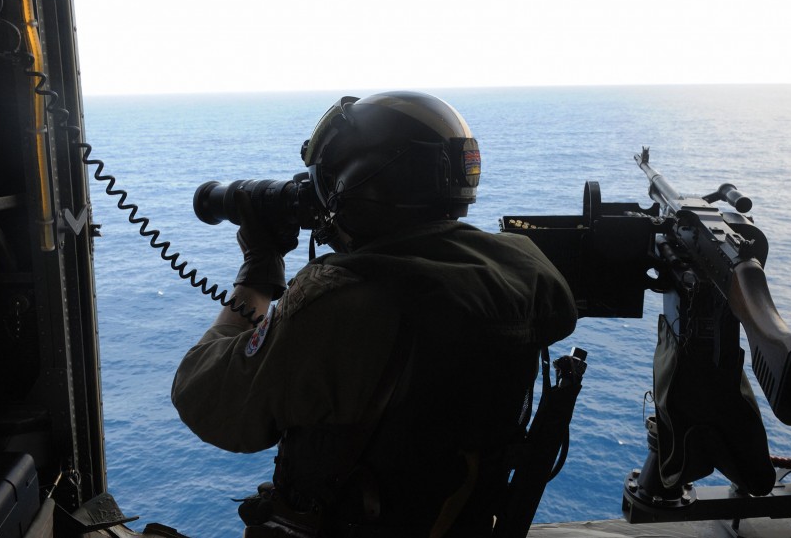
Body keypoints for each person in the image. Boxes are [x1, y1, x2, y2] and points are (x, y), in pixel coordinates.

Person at [172, 91, 577, 537]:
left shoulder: (347, 303)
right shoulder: (519, 276)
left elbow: (204, 397)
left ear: (358, 185)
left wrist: (258, 269)